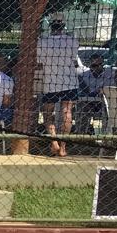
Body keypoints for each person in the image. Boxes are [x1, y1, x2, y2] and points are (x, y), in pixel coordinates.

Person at [35, 17, 79, 157]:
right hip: (69, 80)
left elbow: (40, 63)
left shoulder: (43, 41)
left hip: (51, 80)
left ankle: (54, 142)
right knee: (67, 112)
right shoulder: (72, 40)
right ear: (63, 26)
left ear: (50, 27)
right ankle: (63, 147)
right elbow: (74, 60)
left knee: (48, 113)